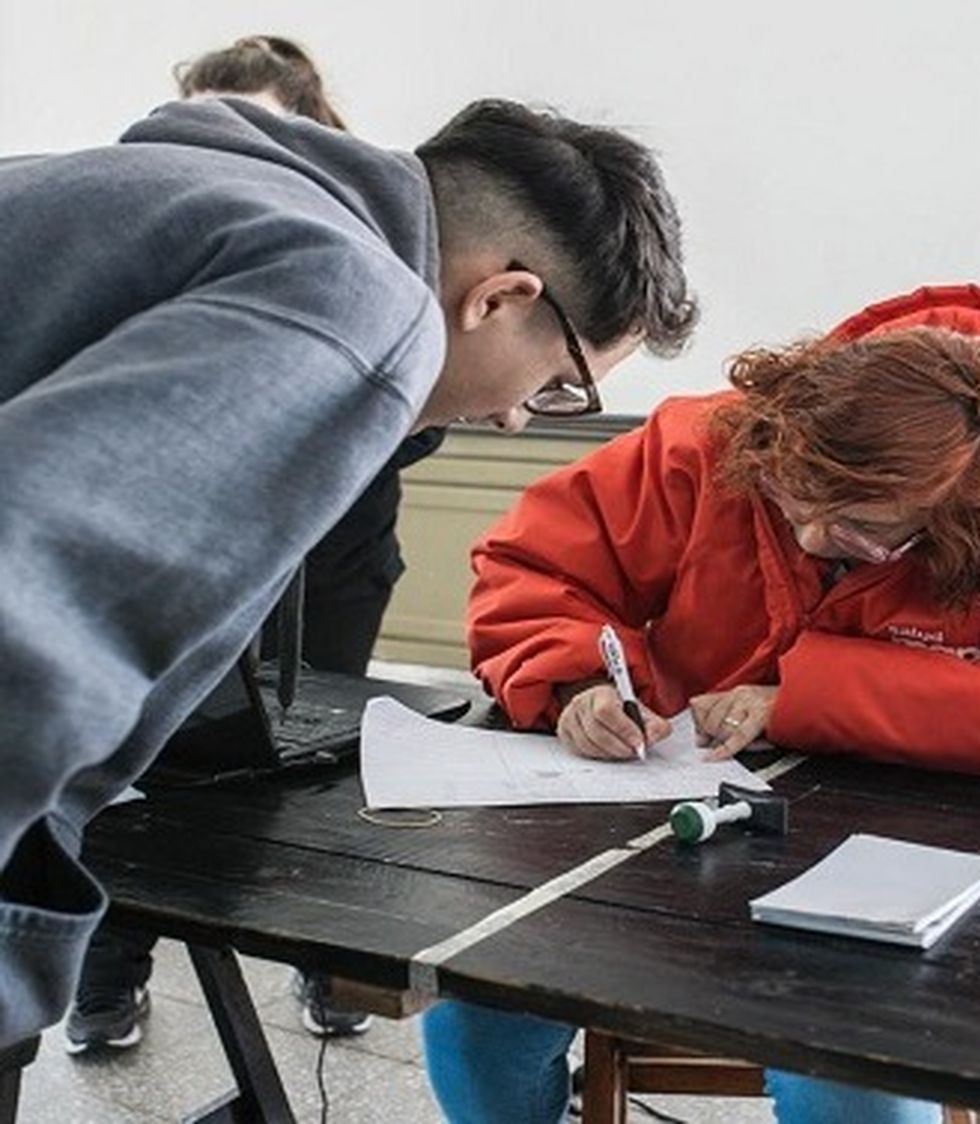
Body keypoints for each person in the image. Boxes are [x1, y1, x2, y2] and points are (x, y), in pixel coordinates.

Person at [0, 74, 697, 1049]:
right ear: (501, 297)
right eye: (555, 385)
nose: (511, 416)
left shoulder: (197, 182)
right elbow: (33, 603)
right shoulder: (358, 296)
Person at [428, 284, 980, 1123]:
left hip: (908, 891)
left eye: (861, 529)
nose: (814, 540)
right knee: (474, 1017)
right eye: (792, 501)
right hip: (677, 840)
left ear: (975, 522)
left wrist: (800, 699)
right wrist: (575, 681)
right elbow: (535, 569)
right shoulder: (713, 441)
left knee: (853, 1088)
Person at [61, 34, 447, 1052]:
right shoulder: (170, 206)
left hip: (334, 558)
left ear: (316, 124)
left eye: (259, 118)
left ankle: (334, 970)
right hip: (195, 553)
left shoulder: (380, 248)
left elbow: (429, 402)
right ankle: (107, 981)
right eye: (215, 112)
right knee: (151, 764)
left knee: (321, 772)